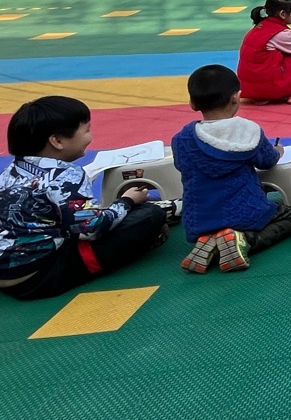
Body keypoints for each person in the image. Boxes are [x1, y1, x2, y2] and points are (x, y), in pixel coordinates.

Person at [0, 96, 167, 300]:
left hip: (5, 271)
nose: (90, 137)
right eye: (86, 130)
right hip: (38, 278)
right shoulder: (65, 176)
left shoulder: (9, 172)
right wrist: (127, 201)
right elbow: (92, 229)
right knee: (149, 215)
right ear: (57, 141)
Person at [173, 65, 291, 273]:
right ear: (236, 98)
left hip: (199, 221)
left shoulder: (182, 139)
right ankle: (244, 240)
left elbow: (182, 165)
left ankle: (211, 242)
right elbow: (267, 160)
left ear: (192, 103)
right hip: (245, 216)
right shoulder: (248, 133)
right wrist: (278, 151)